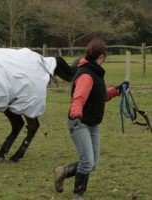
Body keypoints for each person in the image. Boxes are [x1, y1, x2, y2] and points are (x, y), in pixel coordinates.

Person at [53, 38, 129, 200]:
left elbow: (99, 96)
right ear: (101, 56)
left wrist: (116, 90)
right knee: (87, 162)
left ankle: (63, 171)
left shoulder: (94, 72)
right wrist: (76, 113)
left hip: (92, 123)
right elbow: (78, 97)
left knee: (92, 164)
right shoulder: (87, 74)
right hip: (79, 122)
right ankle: (78, 196)